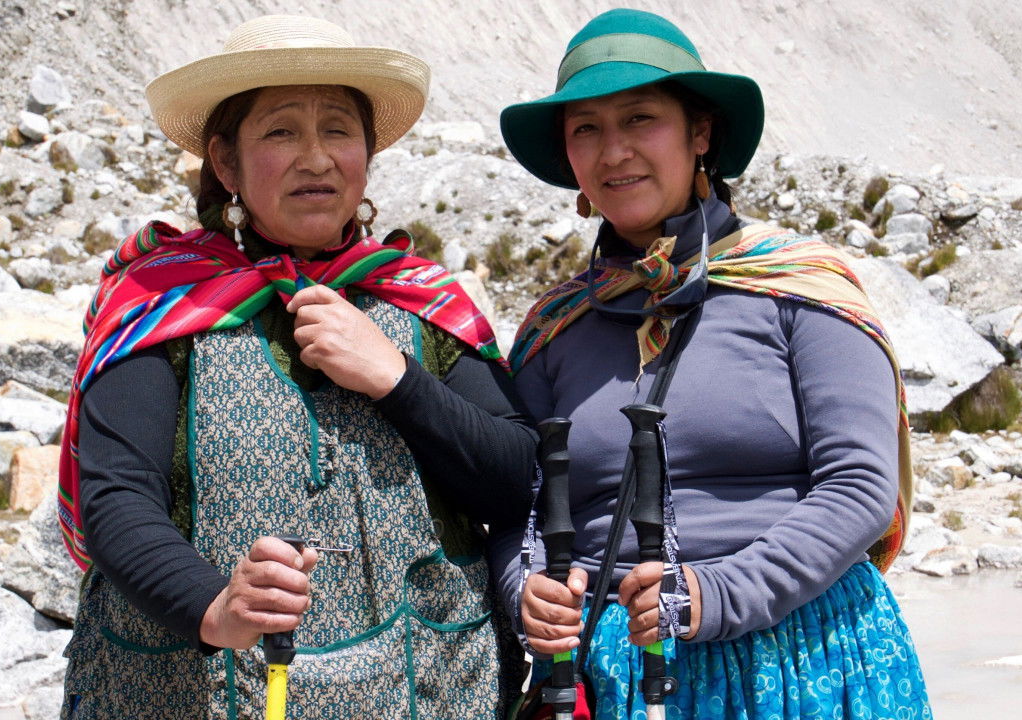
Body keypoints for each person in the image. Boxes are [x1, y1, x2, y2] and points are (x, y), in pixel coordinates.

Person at [56, 15, 532, 720]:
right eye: (281, 131)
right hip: (199, 692)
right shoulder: (160, 301)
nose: (316, 157)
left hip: (426, 686)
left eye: (338, 130)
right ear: (226, 163)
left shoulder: (422, 303)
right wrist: (216, 608)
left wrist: (396, 378)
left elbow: (519, 479)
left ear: (366, 154)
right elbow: (117, 499)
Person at [490, 9, 932, 720]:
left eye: (641, 119)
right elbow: (520, 507)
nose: (614, 152)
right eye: (587, 130)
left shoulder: (800, 288)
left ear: (700, 134)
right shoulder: (552, 331)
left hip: (803, 660)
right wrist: (525, 590)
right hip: (614, 677)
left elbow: (860, 485)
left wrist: (715, 594)